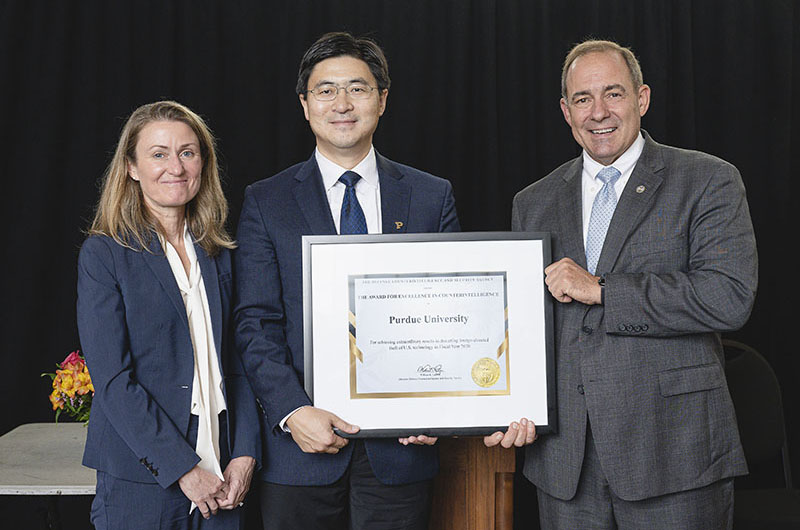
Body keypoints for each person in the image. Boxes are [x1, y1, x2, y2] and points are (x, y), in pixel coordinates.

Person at [486, 40, 757, 528]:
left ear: (642, 99)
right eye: (583, 99)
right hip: (566, 463)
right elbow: (523, 326)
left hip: (673, 454)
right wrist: (500, 404)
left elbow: (728, 297)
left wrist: (604, 289)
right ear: (566, 112)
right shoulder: (534, 201)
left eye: (613, 93)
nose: (599, 113)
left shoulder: (706, 179)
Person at [234, 32, 460, 529]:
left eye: (357, 89)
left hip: (401, 452)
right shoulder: (266, 202)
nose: (342, 103)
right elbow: (255, 323)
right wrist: (293, 411)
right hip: (299, 454)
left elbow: (448, 315)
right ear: (305, 104)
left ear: (382, 99)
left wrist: (439, 405)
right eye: (326, 90)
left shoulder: (430, 196)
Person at [77, 100, 260, 529]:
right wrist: (182, 468)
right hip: (144, 481)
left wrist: (246, 453)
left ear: (203, 163)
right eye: (158, 154)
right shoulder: (104, 254)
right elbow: (113, 381)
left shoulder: (219, 253)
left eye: (187, 152)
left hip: (225, 475)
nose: (175, 167)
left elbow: (241, 360)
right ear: (132, 168)